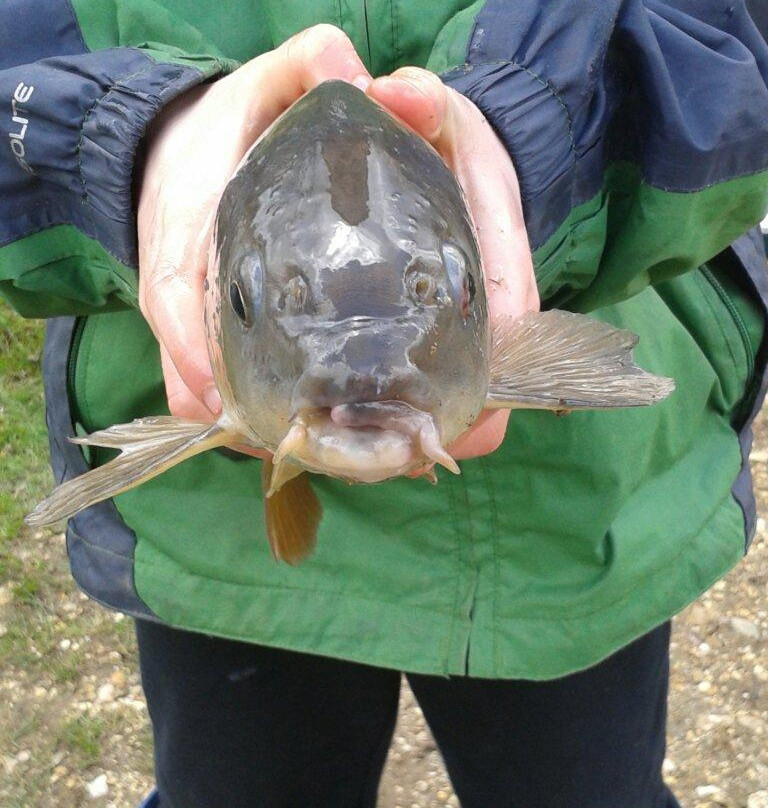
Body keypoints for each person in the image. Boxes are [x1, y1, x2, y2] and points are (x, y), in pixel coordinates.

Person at [2, 2, 767, 806]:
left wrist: (540, 133)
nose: (361, 382)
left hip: (568, 528)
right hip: (218, 541)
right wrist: (126, 144)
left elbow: (728, 48)